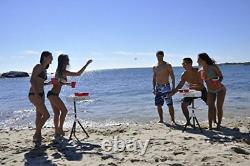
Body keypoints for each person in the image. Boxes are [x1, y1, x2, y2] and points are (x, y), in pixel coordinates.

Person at [47, 54, 92, 137]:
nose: (69, 61)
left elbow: (58, 82)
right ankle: (60, 129)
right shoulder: (63, 71)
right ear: (64, 61)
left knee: (57, 113)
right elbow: (78, 73)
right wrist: (86, 64)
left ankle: (57, 132)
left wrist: (68, 84)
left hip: (52, 94)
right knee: (64, 111)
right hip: (53, 95)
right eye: (67, 60)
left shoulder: (60, 71)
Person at [171, 58, 207, 124]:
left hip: (201, 90)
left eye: (184, 64)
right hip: (192, 92)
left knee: (211, 104)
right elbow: (180, 85)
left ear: (190, 64)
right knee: (183, 105)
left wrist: (192, 87)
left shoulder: (198, 71)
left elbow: (201, 85)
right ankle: (188, 121)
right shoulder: (184, 74)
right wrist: (173, 93)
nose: (183, 65)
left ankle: (214, 121)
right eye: (182, 64)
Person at [197, 53, 226, 130]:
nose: (197, 61)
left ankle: (218, 125)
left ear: (204, 60)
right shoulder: (200, 70)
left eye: (198, 59)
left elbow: (221, 76)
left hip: (220, 89)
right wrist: (193, 87)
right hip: (210, 91)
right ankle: (210, 126)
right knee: (210, 107)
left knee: (219, 107)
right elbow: (201, 84)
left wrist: (217, 82)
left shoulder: (213, 67)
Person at [28, 51, 53, 141]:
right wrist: (36, 94)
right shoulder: (38, 66)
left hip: (41, 94)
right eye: (50, 57)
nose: (52, 59)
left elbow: (40, 82)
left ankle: (38, 135)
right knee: (46, 115)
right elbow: (32, 80)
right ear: (44, 57)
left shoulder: (45, 69)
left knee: (39, 116)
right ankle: (36, 134)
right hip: (35, 94)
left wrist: (48, 83)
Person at [152, 51, 175, 124]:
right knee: (158, 105)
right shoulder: (155, 67)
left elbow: (172, 77)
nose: (159, 57)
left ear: (163, 56)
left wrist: (173, 88)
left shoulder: (167, 65)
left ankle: (172, 120)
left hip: (166, 87)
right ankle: (161, 120)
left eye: (160, 56)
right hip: (158, 87)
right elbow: (154, 78)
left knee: (169, 104)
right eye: (158, 56)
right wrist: (153, 88)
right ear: (156, 56)